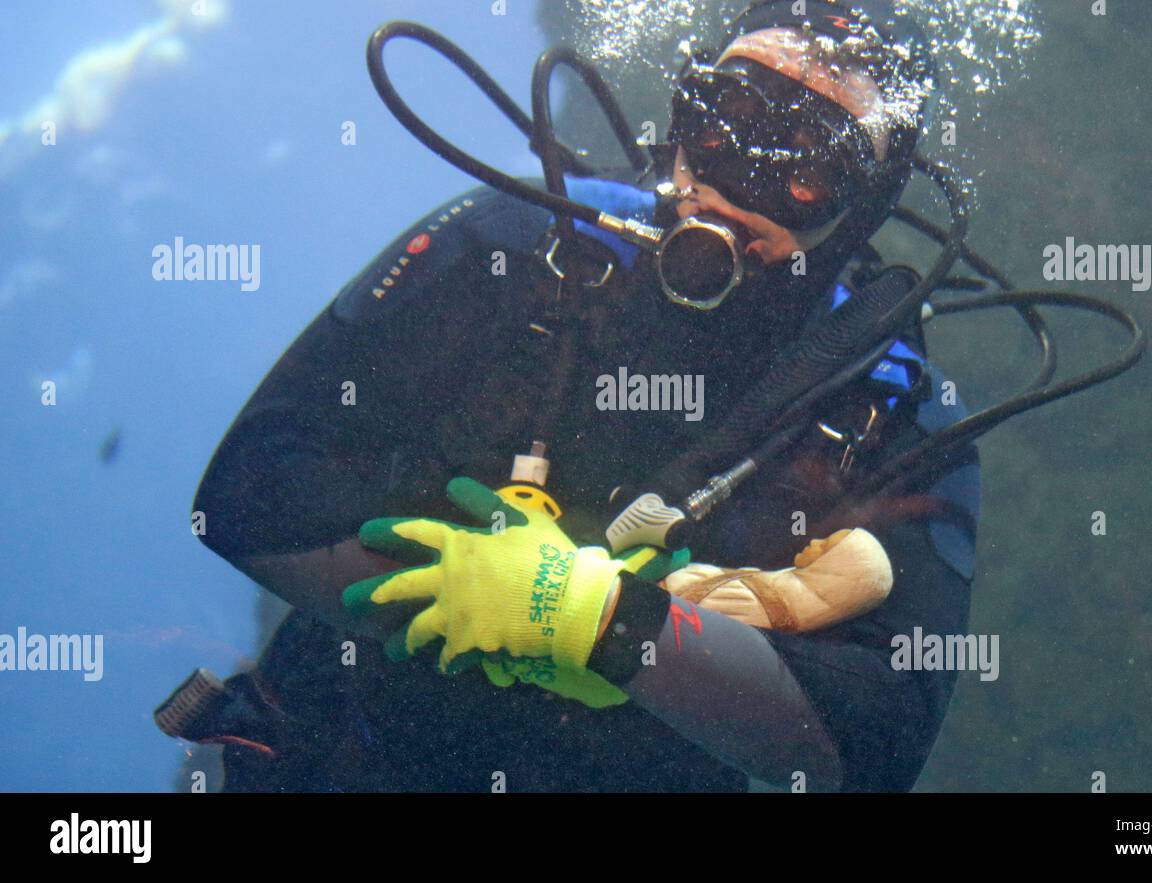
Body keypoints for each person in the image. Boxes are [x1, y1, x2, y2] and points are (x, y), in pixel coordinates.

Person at [171, 0, 981, 792]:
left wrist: (597, 621)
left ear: (866, 197)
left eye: (808, 160)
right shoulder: (520, 247)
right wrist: (476, 597)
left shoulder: (889, 408)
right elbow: (246, 493)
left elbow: (880, 749)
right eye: (724, 120)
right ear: (681, 114)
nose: (743, 175)